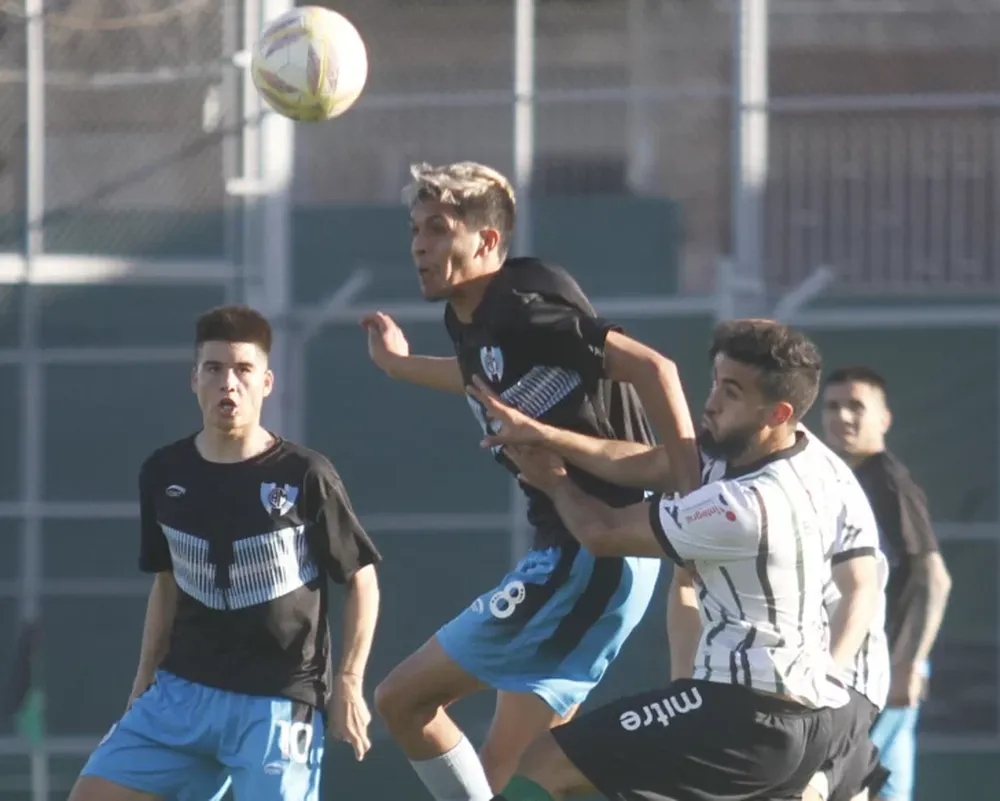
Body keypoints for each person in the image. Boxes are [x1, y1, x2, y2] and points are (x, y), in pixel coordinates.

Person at [361, 160, 701, 800]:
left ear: (486, 242)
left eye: (438, 229)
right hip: (588, 554)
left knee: (403, 701)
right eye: (414, 229)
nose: (419, 245)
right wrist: (401, 368)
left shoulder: (522, 306)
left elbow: (656, 369)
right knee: (529, 767)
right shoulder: (474, 315)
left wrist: (690, 499)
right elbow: (479, 377)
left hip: (587, 554)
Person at [464, 318, 886, 801]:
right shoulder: (798, 450)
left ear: (777, 412)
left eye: (731, 392)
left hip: (748, 716)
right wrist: (547, 434)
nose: (710, 403)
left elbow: (604, 532)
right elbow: (651, 462)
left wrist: (553, 479)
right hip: (796, 717)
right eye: (715, 383)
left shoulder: (745, 506)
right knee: (589, 777)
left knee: (544, 764)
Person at [67, 305, 382, 801]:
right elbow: (166, 582)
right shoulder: (163, 472)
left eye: (243, 369)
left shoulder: (306, 474)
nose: (228, 383)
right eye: (214, 369)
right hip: (179, 697)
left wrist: (348, 680)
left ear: (267, 383)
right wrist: (143, 680)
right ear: (194, 379)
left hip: (277, 705)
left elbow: (361, 579)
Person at [822, 366, 953, 801]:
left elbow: (934, 577)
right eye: (833, 406)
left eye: (856, 406)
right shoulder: (845, 479)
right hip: (876, 667)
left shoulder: (888, 482)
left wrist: (908, 663)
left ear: (884, 419)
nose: (843, 416)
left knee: (849, 781)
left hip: (883, 667)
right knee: (888, 785)